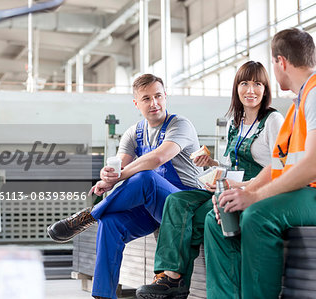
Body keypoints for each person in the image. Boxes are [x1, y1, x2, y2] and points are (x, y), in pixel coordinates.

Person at [204, 28, 316, 299]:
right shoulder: (298, 106)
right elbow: (279, 165)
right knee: (219, 217)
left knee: (259, 215)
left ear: (280, 62)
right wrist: (243, 191)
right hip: (311, 194)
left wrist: (255, 197)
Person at [136, 61, 284, 299]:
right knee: (176, 201)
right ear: (236, 88)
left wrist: (240, 186)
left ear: (266, 89)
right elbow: (229, 165)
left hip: (257, 189)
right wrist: (212, 164)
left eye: (258, 84)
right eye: (244, 83)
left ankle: (177, 281)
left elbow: (279, 167)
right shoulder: (235, 123)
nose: (251, 90)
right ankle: (169, 276)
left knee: (201, 216)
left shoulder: (273, 120)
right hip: (228, 185)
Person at [47, 74, 203, 299]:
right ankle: (103, 295)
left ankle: (90, 215)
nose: (154, 103)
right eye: (146, 98)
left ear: (165, 96)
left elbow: (158, 158)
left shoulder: (180, 125)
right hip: (154, 208)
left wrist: (122, 175)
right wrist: (107, 176)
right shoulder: (133, 133)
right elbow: (119, 165)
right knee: (109, 223)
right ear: (136, 103)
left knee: (146, 177)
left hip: (185, 205)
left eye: (158, 96)